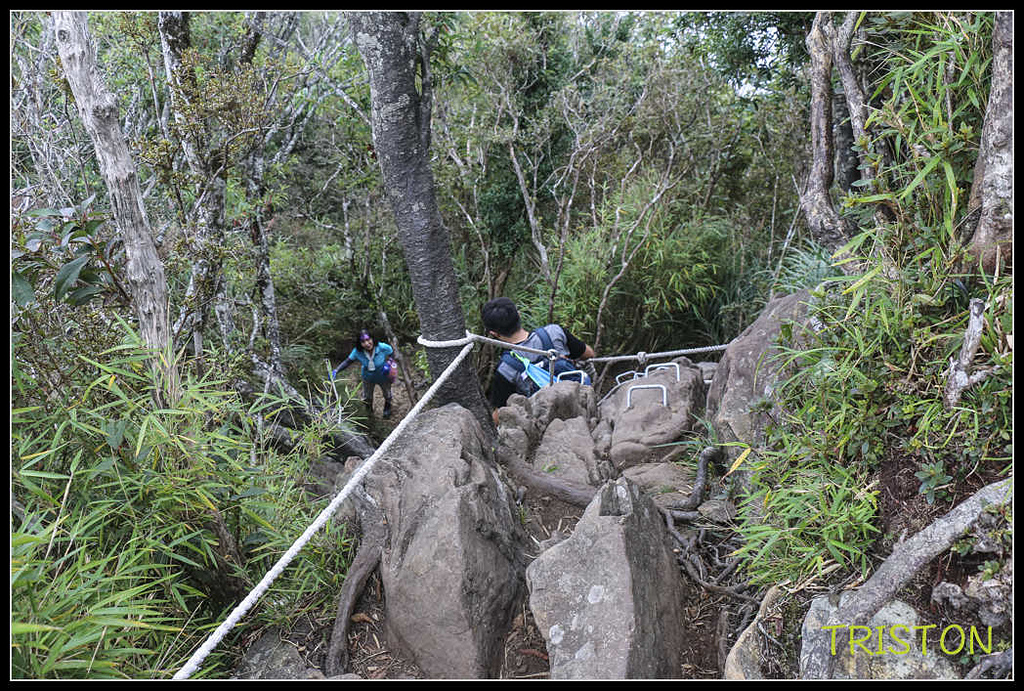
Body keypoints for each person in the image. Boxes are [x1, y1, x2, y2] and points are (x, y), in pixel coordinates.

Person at [481, 297, 595, 424]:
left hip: (549, 422)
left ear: (494, 334)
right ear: (519, 315)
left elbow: (499, 414)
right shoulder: (554, 332)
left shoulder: (506, 368)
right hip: (583, 405)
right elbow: (589, 353)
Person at [331, 329, 396, 419]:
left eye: (368, 339)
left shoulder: (382, 347)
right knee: (367, 397)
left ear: (372, 339)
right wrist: (336, 370)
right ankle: (369, 414)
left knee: (387, 394)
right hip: (367, 377)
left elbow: (392, 353)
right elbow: (348, 362)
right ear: (359, 343)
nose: (367, 343)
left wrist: (389, 363)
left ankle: (387, 408)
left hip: (383, 375)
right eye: (363, 341)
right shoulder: (357, 351)